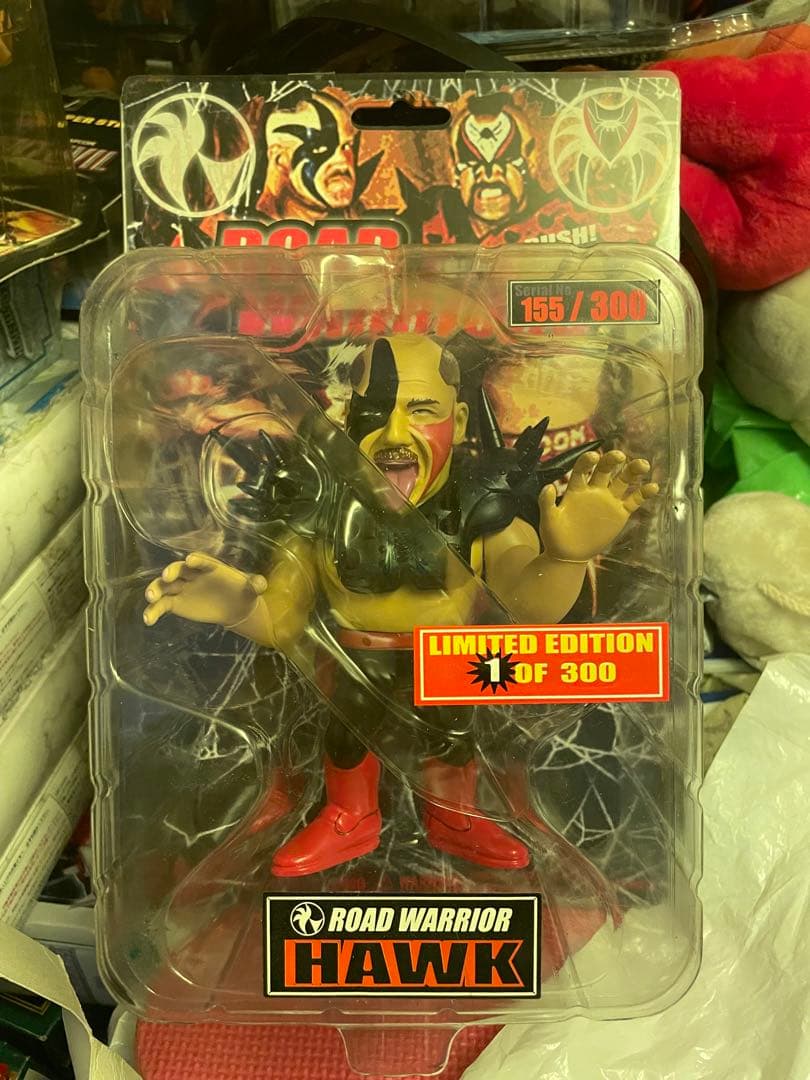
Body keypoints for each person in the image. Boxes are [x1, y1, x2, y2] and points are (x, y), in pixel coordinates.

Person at [144, 334, 657, 877]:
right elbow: (281, 619)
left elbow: (528, 606)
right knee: (347, 732)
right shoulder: (321, 510)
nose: (394, 433)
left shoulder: (480, 507)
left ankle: (455, 816)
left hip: (452, 666)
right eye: (375, 412)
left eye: (422, 410)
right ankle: (349, 815)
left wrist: (565, 557)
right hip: (355, 662)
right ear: (348, 418)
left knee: (452, 731)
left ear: (460, 421)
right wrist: (234, 604)